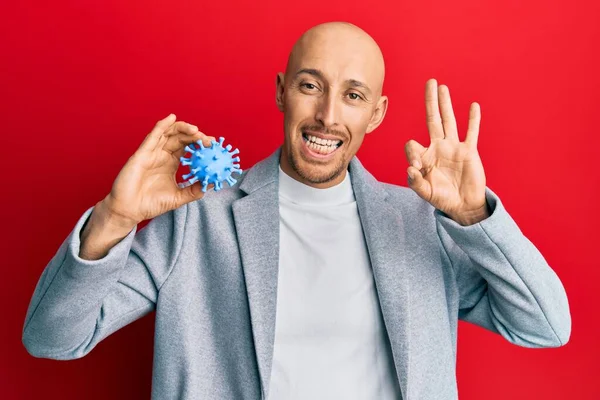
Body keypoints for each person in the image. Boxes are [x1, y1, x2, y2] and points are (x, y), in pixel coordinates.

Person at [22, 21, 571, 400]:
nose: (328, 115)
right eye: (312, 86)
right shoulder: (198, 220)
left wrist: (475, 216)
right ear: (283, 92)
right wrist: (115, 219)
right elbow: (53, 338)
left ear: (376, 113)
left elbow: (546, 326)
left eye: (353, 96)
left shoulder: (419, 222)